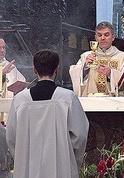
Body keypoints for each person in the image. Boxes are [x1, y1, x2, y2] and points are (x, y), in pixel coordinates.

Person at [6, 49, 89, 178]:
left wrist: (23, 159)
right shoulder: (67, 98)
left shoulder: (20, 100)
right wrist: (70, 159)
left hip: (27, 168)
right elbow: (80, 136)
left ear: (34, 70)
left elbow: (11, 137)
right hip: (61, 167)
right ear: (57, 69)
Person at [69, 21, 124, 96]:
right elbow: (75, 75)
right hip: (91, 102)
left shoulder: (123, 57)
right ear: (96, 38)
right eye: (99, 35)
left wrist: (111, 73)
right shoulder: (86, 56)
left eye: (106, 35)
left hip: (115, 103)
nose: (102, 38)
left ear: (113, 37)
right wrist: (85, 67)